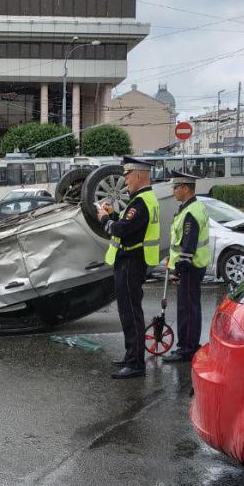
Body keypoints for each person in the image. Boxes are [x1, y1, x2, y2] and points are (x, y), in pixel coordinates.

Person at [98, 156, 160, 380]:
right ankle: (130, 355)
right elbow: (129, 225)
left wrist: (106, 219)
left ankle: (135, 363)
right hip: (130, 261)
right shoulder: (141, 200)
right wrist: (112, 215)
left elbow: (122, 230)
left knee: (131, 313)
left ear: (140, 175)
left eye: (128, 175)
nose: (125, 180)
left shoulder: (141, 201)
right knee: (127, 311)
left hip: (131, 262)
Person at [163, 171, 210, 364]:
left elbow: (188, 247)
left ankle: (187, 349)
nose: (173, 191)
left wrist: (179, 270)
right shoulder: (192, 208)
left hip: (190, 268)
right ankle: (190, 345)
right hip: (193, 267)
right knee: (191, 307)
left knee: (187, 309)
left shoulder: (190, 213)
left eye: (175, 187)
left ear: (185, 188)